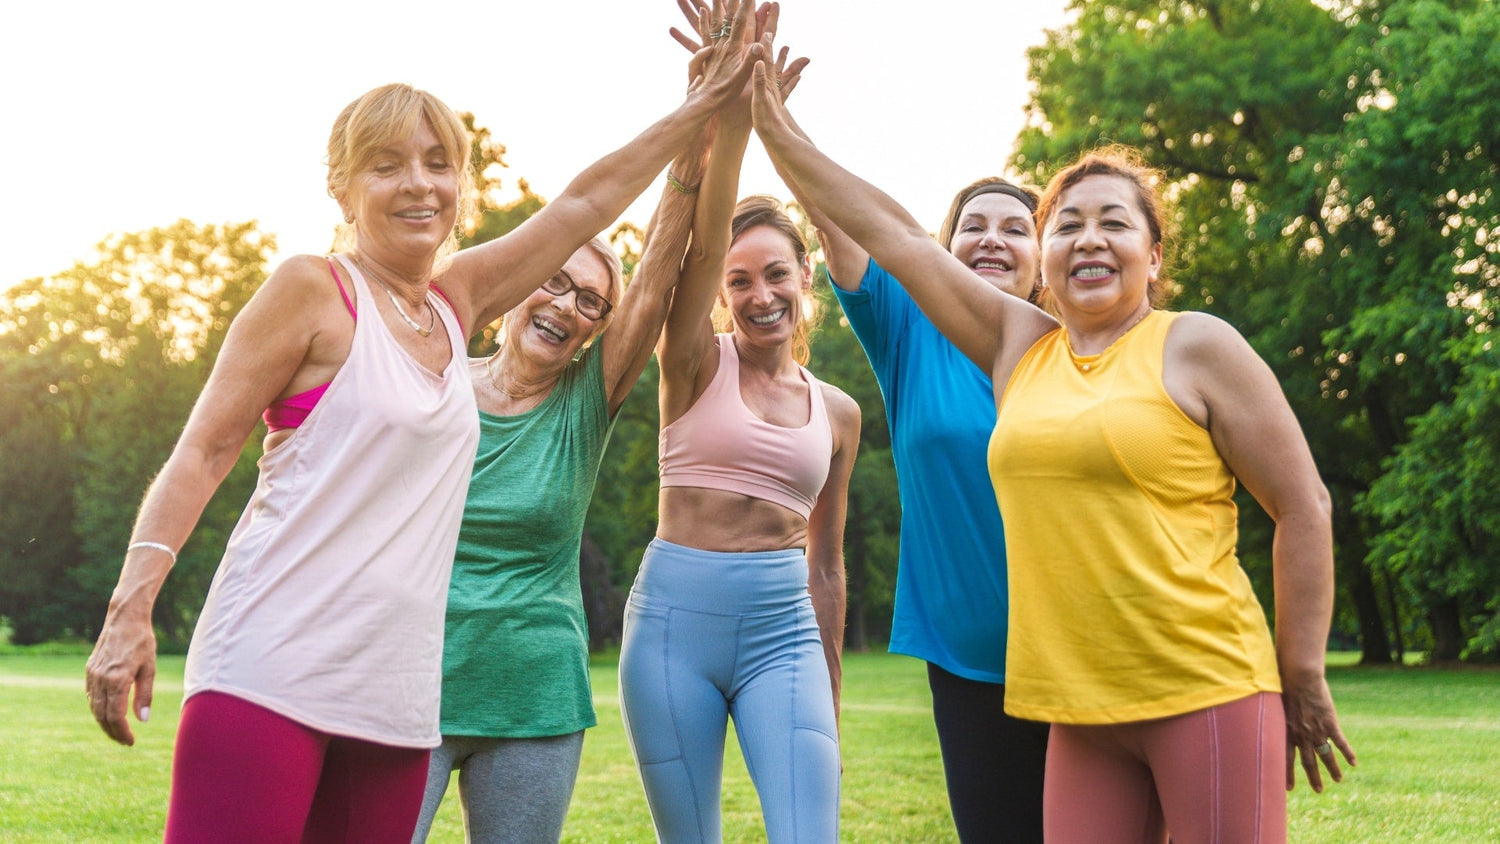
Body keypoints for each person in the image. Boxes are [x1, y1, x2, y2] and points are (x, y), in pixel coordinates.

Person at [83, 23, 763, 840]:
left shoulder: (456, 303)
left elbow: (587, 202)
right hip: (273, 666)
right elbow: (202, 451)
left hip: (398, 700)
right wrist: (130, 608)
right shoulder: (311, 290)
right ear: (342, 189)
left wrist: (701, 108)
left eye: (439, 164)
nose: (419, 185)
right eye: (387, 165)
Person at [752, 64, 1356, 842]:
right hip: (1073, 706)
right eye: (1068, 223)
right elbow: (894, 235)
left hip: (1203, 686)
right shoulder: (1018, 349)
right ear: (1052, 253)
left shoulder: (1198, 345)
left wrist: (1301, 673)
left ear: (1155, 253)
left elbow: (1303, 505)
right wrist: (772, 127)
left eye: (1114, 221)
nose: (1089, 237)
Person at [409, 106, 716, 844]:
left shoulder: (585, 402)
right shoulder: (433, 378)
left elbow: (654, 285)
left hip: (535, 698)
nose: (567, 307)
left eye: (590, 303)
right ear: (514, 289)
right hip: (408, 686)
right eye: (554, 282)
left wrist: (694, 148)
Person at [617, 6, 858, 840]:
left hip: (783, 634)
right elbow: (706, 224)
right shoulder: (690, 364)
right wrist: (734, 116)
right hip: (671, 633)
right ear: (720, 292)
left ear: (805, 282)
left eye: (778, 275)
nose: (761, 295)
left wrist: (829, 677)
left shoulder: (839, 412)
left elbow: (826, 567)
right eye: (740, 280)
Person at [791, 174, 1050, 841]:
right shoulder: (909, 326)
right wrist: (774, 121)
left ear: (1046, 257)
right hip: (968, 659)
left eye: (1017, 228)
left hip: (1083, 649)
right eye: (973, 226)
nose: (992, 238)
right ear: (944, 249)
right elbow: (838, 216)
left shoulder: (1077, 346)